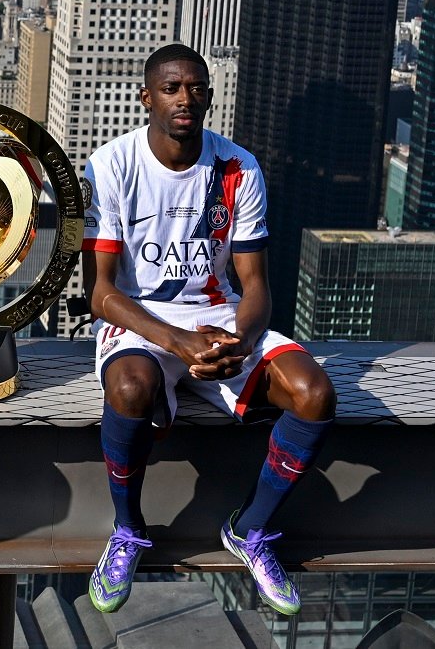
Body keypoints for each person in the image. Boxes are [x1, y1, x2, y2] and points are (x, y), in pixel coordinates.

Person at [81, 43, 336, 616]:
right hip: (142, 319)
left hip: (219, 320)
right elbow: (101, 294)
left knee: (314, 394)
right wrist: (177, 342)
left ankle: (251, 529)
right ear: (146, 97)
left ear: (210, 97)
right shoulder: (111, 165)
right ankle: (127, 530)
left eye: (196, 88)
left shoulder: (238, 167)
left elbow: (256, 285)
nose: (185, 98)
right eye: (171, 88)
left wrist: (239, 343)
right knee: (129, 388)